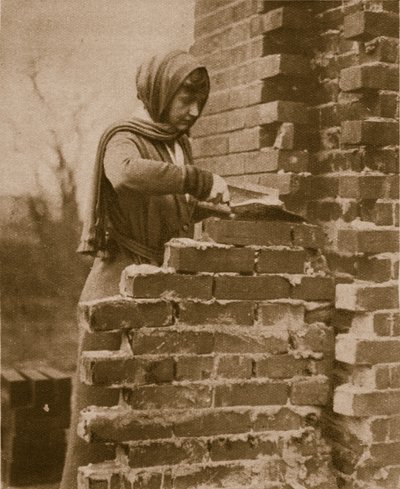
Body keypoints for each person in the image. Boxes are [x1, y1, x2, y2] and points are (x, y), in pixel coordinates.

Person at [60, 50, 229, 488]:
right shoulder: (126, 137)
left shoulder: (176, 144)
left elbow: (165, 213)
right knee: (96, 420)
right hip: (115, 290)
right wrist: (197, 180)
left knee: (145, 420)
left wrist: (202, 207)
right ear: (159, 93)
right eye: (185, 100)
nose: (193, 112)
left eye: (199, 102)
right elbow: (127, 176)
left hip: (155, 289)